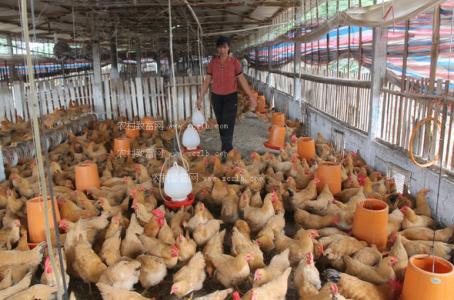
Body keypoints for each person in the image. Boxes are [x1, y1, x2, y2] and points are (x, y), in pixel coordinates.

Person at [196, 36, 256, 162]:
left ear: (228, 48)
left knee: (228, 124)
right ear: (217, 48)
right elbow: (207, 80)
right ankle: (228, 149)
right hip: (216, 97)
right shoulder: (213, 63)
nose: (222, 50)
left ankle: (225, 152)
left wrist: (251, 97)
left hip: (230, 97)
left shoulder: (235, 62)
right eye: (220, 47)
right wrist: (200, 97)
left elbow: (242, 80)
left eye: (224, 47)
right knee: (222, 124)